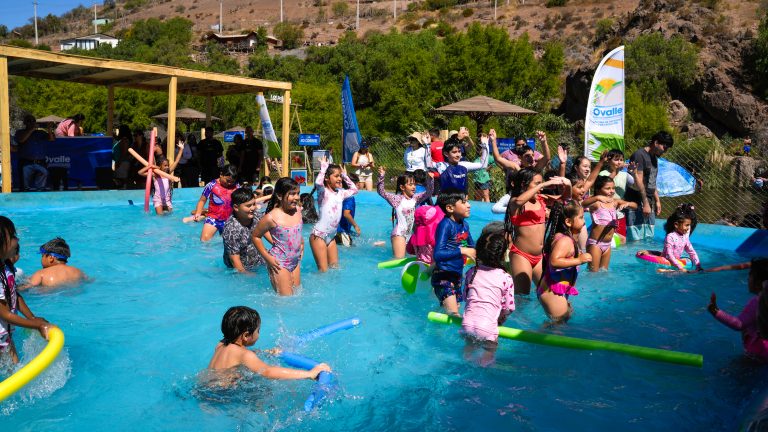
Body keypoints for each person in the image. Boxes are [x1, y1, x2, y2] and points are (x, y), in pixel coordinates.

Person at [208, 306, 330, 380]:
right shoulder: (245, 355)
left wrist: (266, 352)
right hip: (222, 394)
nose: (258, 334)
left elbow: (238, 357)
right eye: (258, 331)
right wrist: (309, 373)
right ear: (246, 335)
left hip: (206, 386)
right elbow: (268, 371)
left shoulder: (221, 344)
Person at [504, 169, 570, 295]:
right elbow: (518, 201)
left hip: (539, 257)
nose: (540, 187)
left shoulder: (541, 199)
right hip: (521, 255)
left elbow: (564, 199)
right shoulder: (515, 202)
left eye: (541, 183)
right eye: (537, 183)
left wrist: (568, 185)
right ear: (524, 184)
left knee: (548, 292)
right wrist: (542, 185)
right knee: (522, 296)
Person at [0, 216, 55, 364]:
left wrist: (31, 318)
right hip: (2, 334)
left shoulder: (6, 268)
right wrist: (38, 325)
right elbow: (5, 314)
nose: (17, 240)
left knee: (14, 370)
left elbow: (14, 296)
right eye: (12, 236)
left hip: (5, 335)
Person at [461, 222, 514, 366]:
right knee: (488, 355)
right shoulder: (505, 277)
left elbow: (466, 298)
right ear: (503, 255)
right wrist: (500, 320)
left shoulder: (471, 272)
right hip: (487, 328)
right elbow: (509, 307)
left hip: (467, 324)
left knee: (468, 350)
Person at [537, 201, 591, 322]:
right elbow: (554, 261)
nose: (584, 221)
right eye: (581, 217)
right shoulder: (565, 241)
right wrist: (579, 260)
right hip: (553, 293)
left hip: (553, 290)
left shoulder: (562, 237)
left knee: (559, 323)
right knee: (558, 329)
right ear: (568, 221)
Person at [708, 258, 768, 362]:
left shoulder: (757, 302)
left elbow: (738, 324)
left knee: (730, 373)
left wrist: (715, 311)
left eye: (750, 275)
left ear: (758, 283)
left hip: (757, 352)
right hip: (764, 349)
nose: (747, 278)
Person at [252, 178, 304, 295]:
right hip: (279, 262)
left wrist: (301, 244)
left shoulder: (297, 210)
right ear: (280, 196)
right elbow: (255, 236)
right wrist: (267, 258)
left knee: (298, 295)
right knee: (286, 301)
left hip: (295, 261)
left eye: (298, 193)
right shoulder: (271, 217)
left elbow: (297, 232)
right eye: (292, 194)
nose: (296, 197)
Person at [309, 158, 358, 272]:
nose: (339, 178)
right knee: (323, 271)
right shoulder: (323, 192)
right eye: (336, 176)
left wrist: (345, 175)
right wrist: (323, 168)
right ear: (327, 178)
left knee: (335, 268)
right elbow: (317, 182)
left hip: (331, 237)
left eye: (340, 176)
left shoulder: (340, 193)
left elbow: (354, 190)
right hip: (319, 236)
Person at [432, 191, 476, 316]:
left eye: (468, 201)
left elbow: (472, 247)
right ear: (450, 208)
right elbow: (438, 254)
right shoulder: (445, 225)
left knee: (448, 312)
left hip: (457, 276)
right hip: (443, 276)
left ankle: (435, 329)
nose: (469, 205)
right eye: (464, 202)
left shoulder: (464, 225)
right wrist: (462, 250)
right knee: (454, 315)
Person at [624, 131, 673, 241]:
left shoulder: (654, 158)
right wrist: (645, 203)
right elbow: (639, 182)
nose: (665, 151)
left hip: (648, 201)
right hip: (636, 200)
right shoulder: (639, 155)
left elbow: (651, 181)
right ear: (656, 142)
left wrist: (657, 200)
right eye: (664, 147)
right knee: (635, 236)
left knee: (648, 236)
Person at [377, 166, 433, 258]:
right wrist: (382, 176)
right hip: (399, 234)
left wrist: (430, 180)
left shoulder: (415, 198)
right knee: (398, 260)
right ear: (402, 187)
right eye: (410, 184)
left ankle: (381, 244)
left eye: (414, 184)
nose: (414, 187)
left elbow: (429, 192)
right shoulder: (397, 199)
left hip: (409, 235)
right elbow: (381, 192)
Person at [583, 176, 637, 271]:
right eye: (608, 188)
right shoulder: (596, 203)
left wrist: (627, 204)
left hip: (607, 245)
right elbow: (582, 204)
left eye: (613, 188)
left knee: (604, 272)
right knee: (593, 273)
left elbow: (635, 206)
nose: (611, 191)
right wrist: (597, 197)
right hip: (595, 244)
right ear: (598, 190)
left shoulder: (614, 202)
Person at [222, 188, 272, 273]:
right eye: (248, 206)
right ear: (236, 207)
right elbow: (235, 260)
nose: (253, 208)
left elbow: (264, 230)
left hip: (258, 258)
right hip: (242, 266)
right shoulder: (231, 229)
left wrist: (278, 244)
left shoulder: (255, 215)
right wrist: (246, 274)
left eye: (254, 204)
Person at [192, 165, 239, 242]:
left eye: (232, 182)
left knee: (230, 243)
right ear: (221, 175)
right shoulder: (212, 185)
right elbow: (202, 200)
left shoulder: (236, 186)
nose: (230, 183)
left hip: (230, 220)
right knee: (204, 240)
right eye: (227, 180)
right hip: (213, 218)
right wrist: (198, 213)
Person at [435, 129, 489, 193]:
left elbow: (482, 165)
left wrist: (485, 146)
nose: (458, 155)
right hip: (446, 199)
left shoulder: (463, 165)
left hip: (460, 198)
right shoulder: (441, 165)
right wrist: (427, 146)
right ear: (446, 153)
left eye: (459, 152)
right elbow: (427, 166)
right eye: (454, 152)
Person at [138, 145, 185, 215]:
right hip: (158, 200)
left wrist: (181, 149)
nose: (167, 167)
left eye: (167, 165)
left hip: (167, 200)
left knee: (169, 217)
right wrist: (150, 166)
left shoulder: (168, 173)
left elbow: (177, 161)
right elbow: (140, 173)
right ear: (160, 166)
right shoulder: (156, 175)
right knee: (160, 216)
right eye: (165, 165)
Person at [14, 114, 53, 191]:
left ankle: (40, 200)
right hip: (26, 163)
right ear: (24, 123)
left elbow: (51, 139)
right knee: (25, 188)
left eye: (33, 121)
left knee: (41, 188)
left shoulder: (41, 132)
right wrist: (32, 130)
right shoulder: (20, 132)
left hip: (40, 162)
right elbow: (21, 140)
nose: (31, 123)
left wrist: (49, 129)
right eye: (29, 121)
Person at [336, 173, 361, 247]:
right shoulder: (350, 197)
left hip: (336, 229)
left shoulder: (340, 193)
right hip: (341, 231)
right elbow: (346, 214)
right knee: (351, 248)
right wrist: (355, 226)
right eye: (357, 183)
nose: (359, 185)